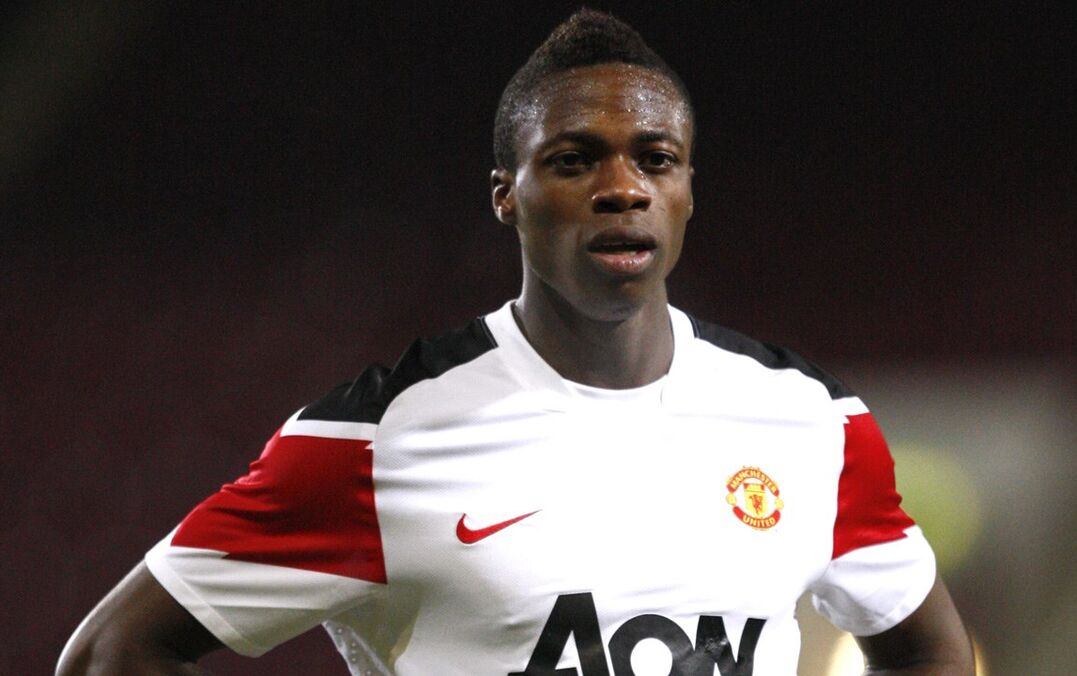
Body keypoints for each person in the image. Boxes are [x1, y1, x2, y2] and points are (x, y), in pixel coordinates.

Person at [58, 9, 974, 675]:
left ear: (688, 188)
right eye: (575, 160)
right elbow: (113, 652)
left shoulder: (811, 423)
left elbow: (931, 650)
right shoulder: (375, 441)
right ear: (507, 194)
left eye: (655, 159)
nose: (623, 187)